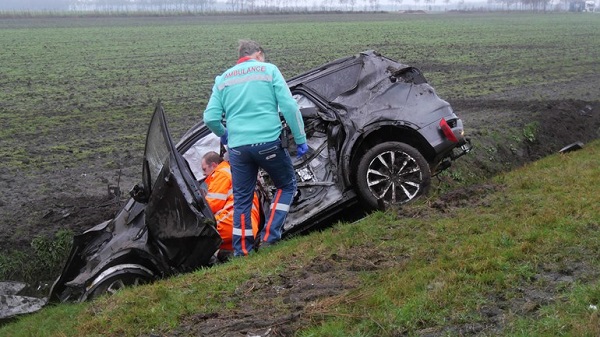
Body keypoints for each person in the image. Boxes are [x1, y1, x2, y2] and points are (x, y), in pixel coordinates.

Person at [203, 39, 308, 256]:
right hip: (268, 143)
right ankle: (270, 236)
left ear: (239, 56)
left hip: (239, 150)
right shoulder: (269, 71)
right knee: (286, 186)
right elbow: (289, 106)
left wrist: (224, 135)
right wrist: (300, 138)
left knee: (242, 198)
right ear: (259, 54)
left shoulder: (223, 80)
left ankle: (243, 251)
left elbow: (210, 118)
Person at [201, 151, 260, 260]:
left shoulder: (220, 174)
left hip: (234, 221)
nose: (203, 174)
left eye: (204, 169)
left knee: (203, 231)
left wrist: (200, 202)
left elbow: (211, 206)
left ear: (213, 165)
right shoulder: (229, 170)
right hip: (247, 223)